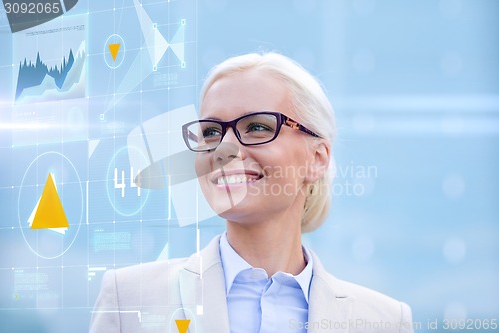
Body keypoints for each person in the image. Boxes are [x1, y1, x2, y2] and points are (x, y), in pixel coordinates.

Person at [90, 52, 413, 333]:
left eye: (257, 127)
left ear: (317, 159)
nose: (226, 149)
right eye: (211, 132)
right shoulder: (130, 299)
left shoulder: (383, 322)